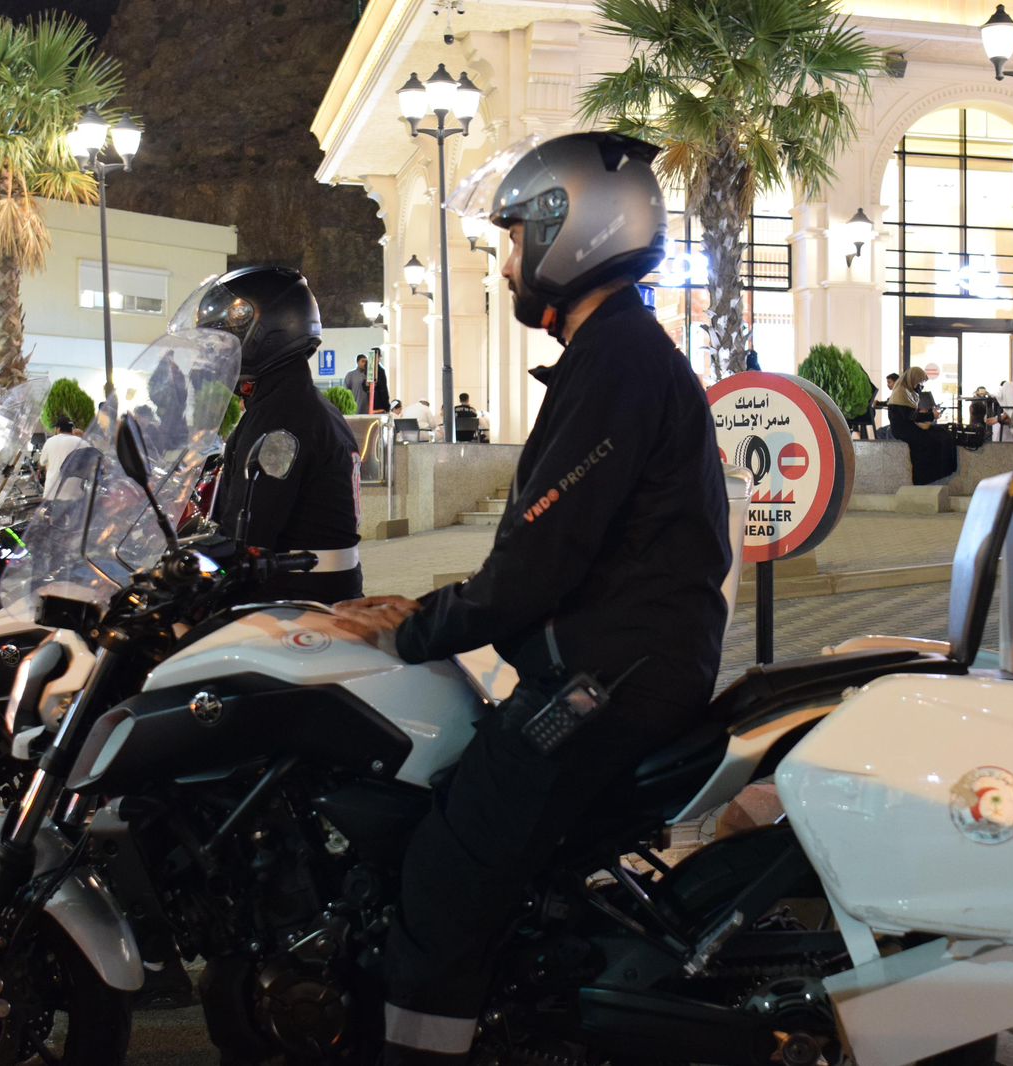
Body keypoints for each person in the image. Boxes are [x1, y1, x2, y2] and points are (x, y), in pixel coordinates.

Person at [331, 132, 730, 1066]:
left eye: (515, 238)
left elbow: (539, 563)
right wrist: (432, 608)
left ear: (573, 229)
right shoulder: (614, 352)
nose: (508, 262)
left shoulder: (616, 361)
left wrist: (415, 631)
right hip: (625, 661)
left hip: (609, 678)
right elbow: (543, 552)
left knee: (448, 870)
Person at [199, 266, 364, 602]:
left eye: (225, 338)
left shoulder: (282, 420)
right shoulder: (298, 405)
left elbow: (248, 534)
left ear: (264, 332)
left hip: (296, 600)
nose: (217, 351)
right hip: (317, 592)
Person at [886, 366, 957, 484]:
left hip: (910, 426)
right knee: (932, 440)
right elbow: (911, 416)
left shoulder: (907, 391)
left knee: (944, 433)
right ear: (913, 379)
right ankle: (926, 477)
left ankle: (943, 471)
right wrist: (931, 415)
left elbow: (911, 414)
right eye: (920, 382)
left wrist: (928, 414)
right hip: (903, 429)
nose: (920, 386)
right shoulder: (901, 392)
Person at [36, 416, 86, 498]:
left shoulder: (50, 441)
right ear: (71, 429)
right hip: (74, 495)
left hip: (52, 494)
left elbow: (42, 463)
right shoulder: (83, 443)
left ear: (58, 429)